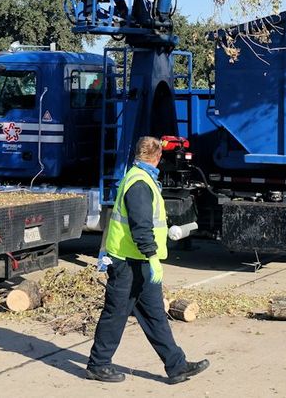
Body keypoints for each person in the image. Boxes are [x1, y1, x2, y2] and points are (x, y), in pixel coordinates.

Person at [86, 136, 210, 384]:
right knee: (116, 312)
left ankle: (177, 366)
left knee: (154, 315)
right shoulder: (140, 184)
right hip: (128, 262)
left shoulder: (140, 178)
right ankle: (98, 364)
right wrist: (153, 257)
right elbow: (140, 227)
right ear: (157, 158)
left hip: (138, 261)